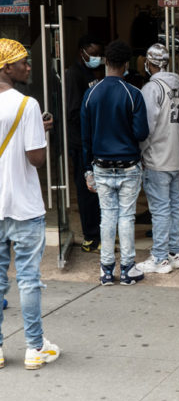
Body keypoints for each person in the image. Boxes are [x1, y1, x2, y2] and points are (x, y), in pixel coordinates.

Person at [0, 38, 60, 369]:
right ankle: (34, 348)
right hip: (24, 207)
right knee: (28, 279)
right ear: (7, 67)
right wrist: (41, 131)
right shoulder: (27, 105)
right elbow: (35, 159)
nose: (28, 66)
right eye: (24, 61)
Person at [81, 40, 149, 286]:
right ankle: (128, 269)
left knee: (107, 217)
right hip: (129, 165)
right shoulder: (133, 94)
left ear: (105, 62)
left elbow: (85, 137)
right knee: (127, 216)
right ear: (126, 64)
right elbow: (141, 133)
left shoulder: (91, 94)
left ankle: (106, 270)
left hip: (100, 165)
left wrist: (87, 170)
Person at [135, 43, 179, 274]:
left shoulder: (152, 88)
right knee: (175, 205)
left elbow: (146, 126)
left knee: (159, 208)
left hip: (157, 157)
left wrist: (142, 152)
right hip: (175, 155)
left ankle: (159, 257)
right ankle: (175, 252)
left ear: (150, 63)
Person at [65, 34, 103, 252]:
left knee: (96, 192)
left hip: (92, 142)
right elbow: (73, 111)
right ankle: (91, 236)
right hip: (81, 144)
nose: (97, 58)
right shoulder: (73, 74)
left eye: (99, 54)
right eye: (94, 54)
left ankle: (98, 231)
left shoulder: (90, 73)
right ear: (83, 52)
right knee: (86, 192)